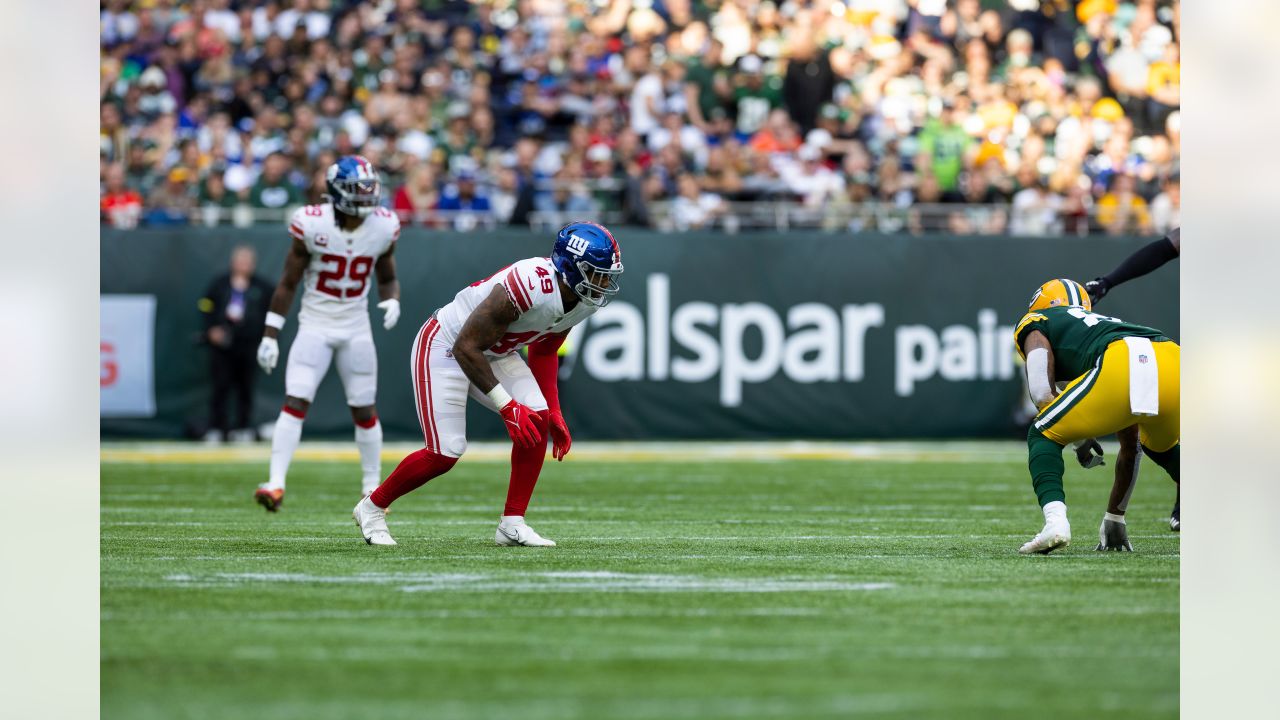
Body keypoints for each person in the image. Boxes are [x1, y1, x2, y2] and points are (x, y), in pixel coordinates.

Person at [352, 221, 624, 547]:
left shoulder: (583, 300)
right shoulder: (529, 284)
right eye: (597, 273)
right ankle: (372, 507)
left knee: (536, 418)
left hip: (495, 351)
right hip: (446, 345)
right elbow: (465, 346)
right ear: (571, 267)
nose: (604, 281)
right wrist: (507, 406)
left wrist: (553, 410)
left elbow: (545, 349)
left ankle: (512, 523)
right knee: (445, 451)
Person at [253, 155, 402, 512]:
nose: (366, 196)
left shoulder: (383, 227)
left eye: (369, 188)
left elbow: (387, 276)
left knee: (365, 408)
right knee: (296, 400)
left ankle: (372, 488)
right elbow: (288, 283)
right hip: (316, 324)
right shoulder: (311, 223)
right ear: (336, 192)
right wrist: (270, 333)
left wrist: (392, 299)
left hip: (355, 326)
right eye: (357, 189)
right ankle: (275, 483)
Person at [1013, 279, 1180, 554]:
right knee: (1165, 450)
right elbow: (1130, 445)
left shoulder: (1037, 320)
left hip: (1121, 361)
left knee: (1042, 431)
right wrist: (1116, 517)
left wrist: (1078, 440)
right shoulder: (1106, 324)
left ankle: (1055, 524)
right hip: (1172, 357)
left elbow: (1042, 392)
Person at [199, 245, 273, 441]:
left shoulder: (262, 287)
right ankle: (217, 429)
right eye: (241, 260)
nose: (244, 265)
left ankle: (242, 428)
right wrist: (211, 330)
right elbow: (205, 306)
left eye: (248, 261)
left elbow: (271, 314)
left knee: (245, 388)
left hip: (249, 345)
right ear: (233, 262)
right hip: (222, 346)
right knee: (220, 387)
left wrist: (266, 338)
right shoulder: (220, 284)